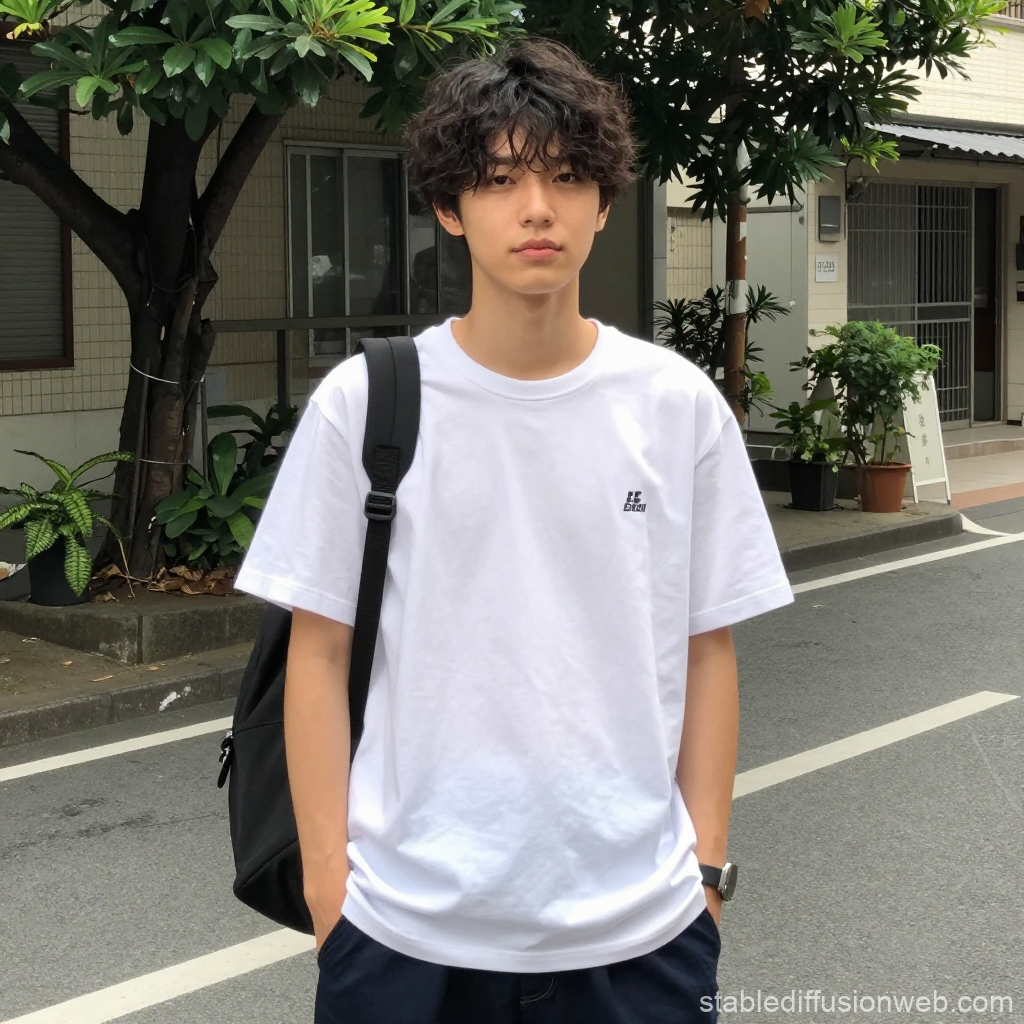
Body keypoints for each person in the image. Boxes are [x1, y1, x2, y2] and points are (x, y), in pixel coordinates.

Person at [235, 38, 794, 1024]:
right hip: (404, 936)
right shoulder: (362, 405)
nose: (537, 208)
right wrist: (334, 889)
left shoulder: (675, 406)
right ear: (449, 207)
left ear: (605, 200)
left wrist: (703, 872)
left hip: (641, 935)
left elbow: (709, 650)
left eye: (568, 177)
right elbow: (316, 657)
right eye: (499, 179)